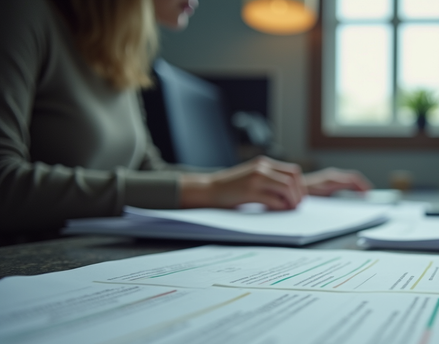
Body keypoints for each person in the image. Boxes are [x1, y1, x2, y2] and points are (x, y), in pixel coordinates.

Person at [0, 0, 371, 236]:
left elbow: (149, 172)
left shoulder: (116, 54)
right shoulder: (24, 13)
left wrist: (279, 185)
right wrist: (209, 189)